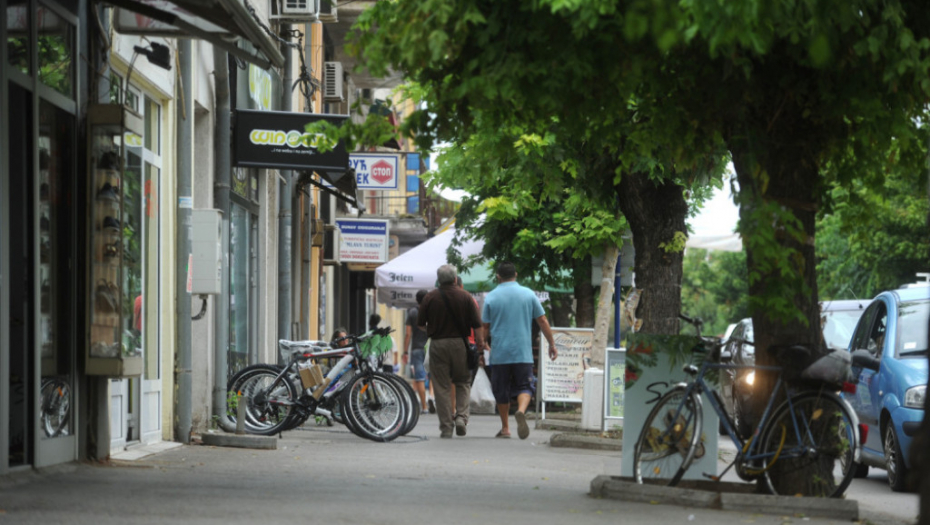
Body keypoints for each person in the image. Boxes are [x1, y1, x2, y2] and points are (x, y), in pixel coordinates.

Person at [481, 261, 557, 439]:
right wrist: (552, 343)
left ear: (498, 276)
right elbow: (543, 321)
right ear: (516, 274)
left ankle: (505, 428)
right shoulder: (528, 294)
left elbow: (485, 325)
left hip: (500, 353)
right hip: (523, 352)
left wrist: (483, 342)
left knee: (501, 389)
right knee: (525, 386)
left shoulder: (491, 297)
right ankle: (521, 411)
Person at [418, 264, 485, 438]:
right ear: (455, 279)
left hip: (438, 344)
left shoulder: (430, 298)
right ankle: (461, 417)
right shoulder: (466, 297)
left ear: (439, 280)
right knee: (463, 382)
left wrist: (433, 330)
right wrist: (480, 344)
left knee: (441, 387)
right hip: (460, 344)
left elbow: (420, 324)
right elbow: (477, 325)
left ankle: (446, 427)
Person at [403, 289, 430, 413]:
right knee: (435, 377)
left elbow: (408, 334)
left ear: (416, 300)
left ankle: (424, 406)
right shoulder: (433, 312)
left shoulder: (412, 312)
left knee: (419, 378)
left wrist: (405, 352)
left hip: (417, 349)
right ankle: (436, 401)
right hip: (431, 347)